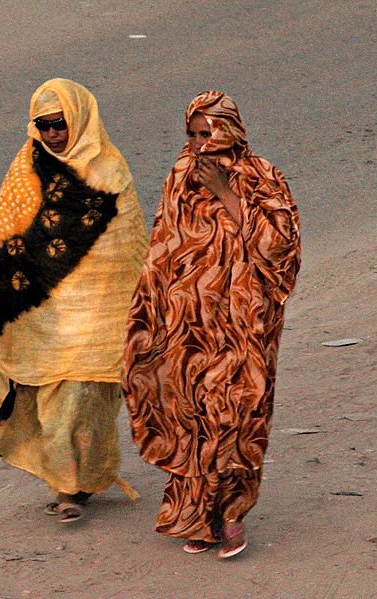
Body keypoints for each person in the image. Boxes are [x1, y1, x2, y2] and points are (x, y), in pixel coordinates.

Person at [0, 78, 148, 522]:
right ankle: (66, 487)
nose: (53, 134)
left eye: (61, 124)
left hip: (99, 315)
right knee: (54, 406)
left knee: (88, 403)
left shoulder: (111, 171)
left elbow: (129, 246)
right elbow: (4, 236)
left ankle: (82, 481)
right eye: (44, 125)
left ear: (80, 120)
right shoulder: (27, 169)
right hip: (47, 315)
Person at [122, 90, 301, 557]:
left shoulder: (262, 178)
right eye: (193, 134)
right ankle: (201, 518)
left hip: (244, 326)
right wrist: (151, 312)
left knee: (237, 413)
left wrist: (226, 193)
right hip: (189, 328)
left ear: (232, 130)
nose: (201, 144)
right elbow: (164, 246)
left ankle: (234, 513)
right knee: (192, 417)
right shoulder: (181, 176)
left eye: (209, 133)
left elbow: (280, 248)